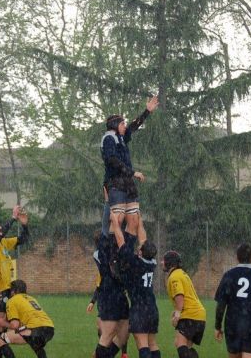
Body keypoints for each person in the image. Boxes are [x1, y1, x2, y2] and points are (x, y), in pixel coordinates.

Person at [101, 96, 159, 244]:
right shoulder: (109, 138)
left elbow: (133, 127)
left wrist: (147, 112)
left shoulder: (121, 137)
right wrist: (133, 173)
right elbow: (112, 161)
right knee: (118, 218)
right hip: (115, 182)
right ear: (114, 125)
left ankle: (127, 250)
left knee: (134, 219)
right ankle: (115, 252)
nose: (125, 126)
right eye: (122, 124)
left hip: (127, 182)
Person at [112, 219, 160, 358]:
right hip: (152, 308)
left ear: (140, 252)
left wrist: (115, 222)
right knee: (152, 344)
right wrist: (139, 221)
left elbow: (120, 240)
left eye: (140, 247)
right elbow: (143, 238)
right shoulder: (152, 262)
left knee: (142, 343)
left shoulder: (134, 263)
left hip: (140, 309)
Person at [0, 205, 29, 340]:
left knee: (2, 328)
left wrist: (25, 225)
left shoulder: (3, 242)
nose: (0, 228)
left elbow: (23, 239)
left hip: (7, 288)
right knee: (0, 326)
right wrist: (13, 218)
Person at [163, 250, 207, 358]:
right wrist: (177, 310)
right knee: (186, 347)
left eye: (164, 260)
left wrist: (178, 312)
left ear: (170, 263)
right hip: (199, 315)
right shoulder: (182, 274)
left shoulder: (174, 277)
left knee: (180, 343)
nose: (161, 262)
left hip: (190, 315)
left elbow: (179, 295)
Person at [0, 279, 54, 358]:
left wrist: (2, 322)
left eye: (11, 290)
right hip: (49, 329)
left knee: (0, 339)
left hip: (36, 328)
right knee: (36, 345)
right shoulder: (31, 299)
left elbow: (15, 325)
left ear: (14, 291)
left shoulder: (12, 300)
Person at [93, 232, 129, 358]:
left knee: (123, 333)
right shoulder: (99, 254)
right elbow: (112, 271)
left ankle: (117, 353)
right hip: (108, 295)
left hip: (119, 295)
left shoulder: (116, 252)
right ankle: (100, 353)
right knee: (107, 332)